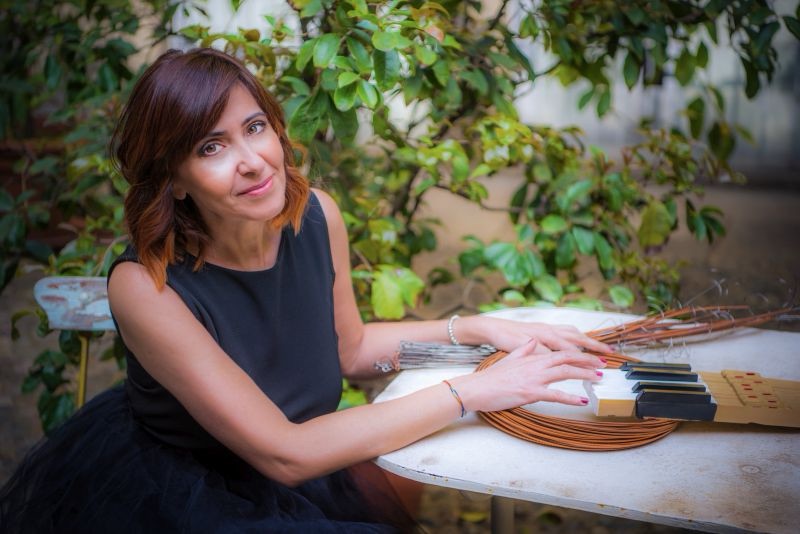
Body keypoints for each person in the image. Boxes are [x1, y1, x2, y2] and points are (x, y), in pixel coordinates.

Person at [0, 47, 609, 532]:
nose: (252, 160)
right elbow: (285, 453)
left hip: (305, 459)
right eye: (211, 147)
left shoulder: (315, 215)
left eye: (254, 127)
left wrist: (475, 329)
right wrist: (473, 390)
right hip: (192, 490)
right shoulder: (145, 285)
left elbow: (352, 350)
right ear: (175, 180)